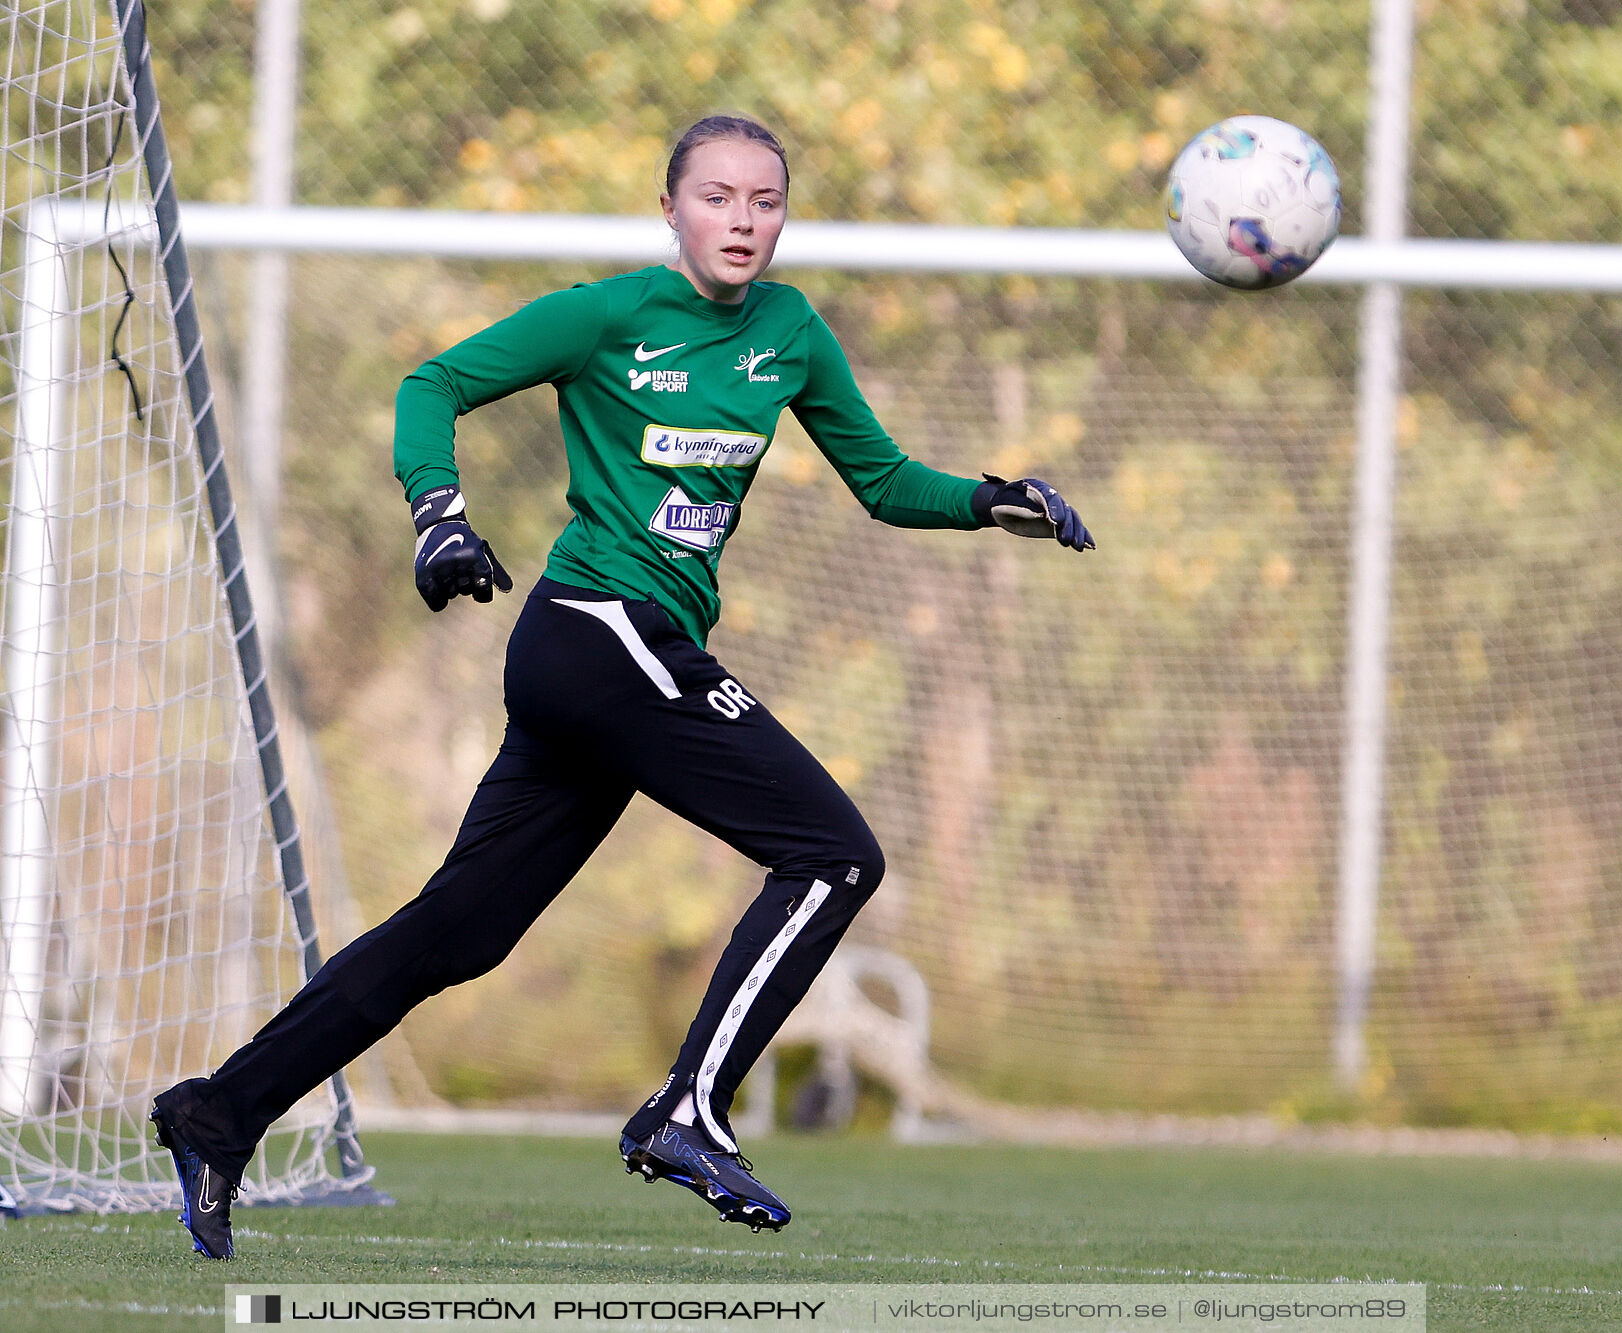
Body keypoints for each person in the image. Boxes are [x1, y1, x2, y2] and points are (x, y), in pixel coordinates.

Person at [149, 113, 1092, 1259]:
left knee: (463, 929)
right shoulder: (605, 316)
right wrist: (438, 517)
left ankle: (216, 1113)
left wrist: (996, 498)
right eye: (718, 198)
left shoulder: (789, 331)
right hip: (598, 631)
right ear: (669, 210)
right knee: (836, 854)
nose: (743, 221)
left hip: (605, 663)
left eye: (766, 202)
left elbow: (884, 480)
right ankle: (689, 1105)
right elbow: (430, 385)